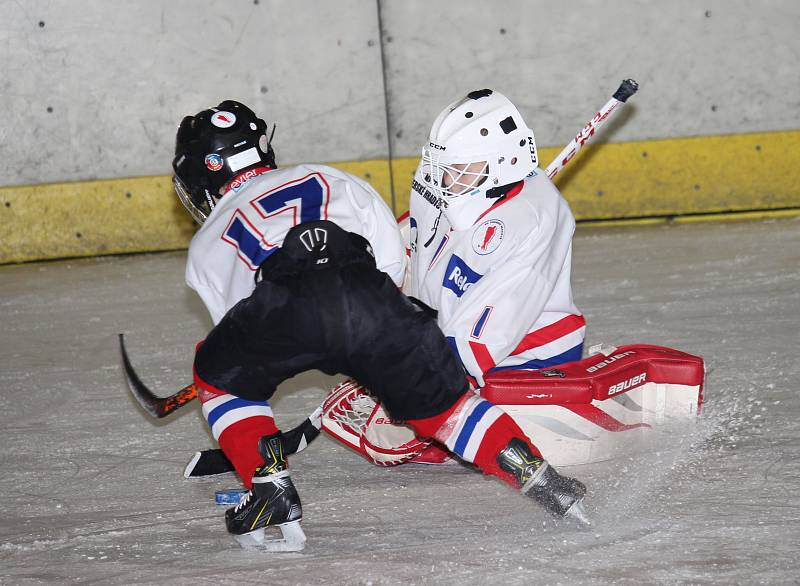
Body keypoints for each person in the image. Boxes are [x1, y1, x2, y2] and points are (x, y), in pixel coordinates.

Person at [172, 99, 588, 551]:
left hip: (280, 306)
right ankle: (545, 483)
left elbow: (244, 328)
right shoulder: (330, 177)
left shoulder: (206, 246)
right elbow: (390, 264)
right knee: (446, 407)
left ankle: (270, 487)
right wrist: (374, 349)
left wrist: (316, 343)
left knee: (219, 379)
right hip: (367, 298)